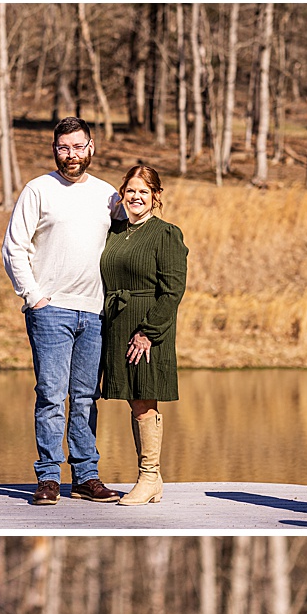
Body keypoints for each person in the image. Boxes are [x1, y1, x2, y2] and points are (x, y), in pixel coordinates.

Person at [1, 117, 121, 507]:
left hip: (95, 312)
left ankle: (86, 477)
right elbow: (14, 247)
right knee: (51, 396)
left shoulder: (108, 196)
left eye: (77, 146)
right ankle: (49, 478)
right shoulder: (38, 189)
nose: (70, 155)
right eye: (63, 148)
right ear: (55, 150)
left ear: (91, 147)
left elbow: (128, 242)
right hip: (51, 311)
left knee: (86, 397)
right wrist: (33, 296)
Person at [100, 164, 188, 506]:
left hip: (147, 327)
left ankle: (149, 476)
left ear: (156, 197)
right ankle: (153, 479)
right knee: (132, 398)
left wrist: (148, 333)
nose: (136, 197)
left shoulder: (166, 234)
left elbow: (172, 291)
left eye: (143, 192)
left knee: (143, 401)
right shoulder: (116, 232)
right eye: (131, 190)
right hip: (117, 323)